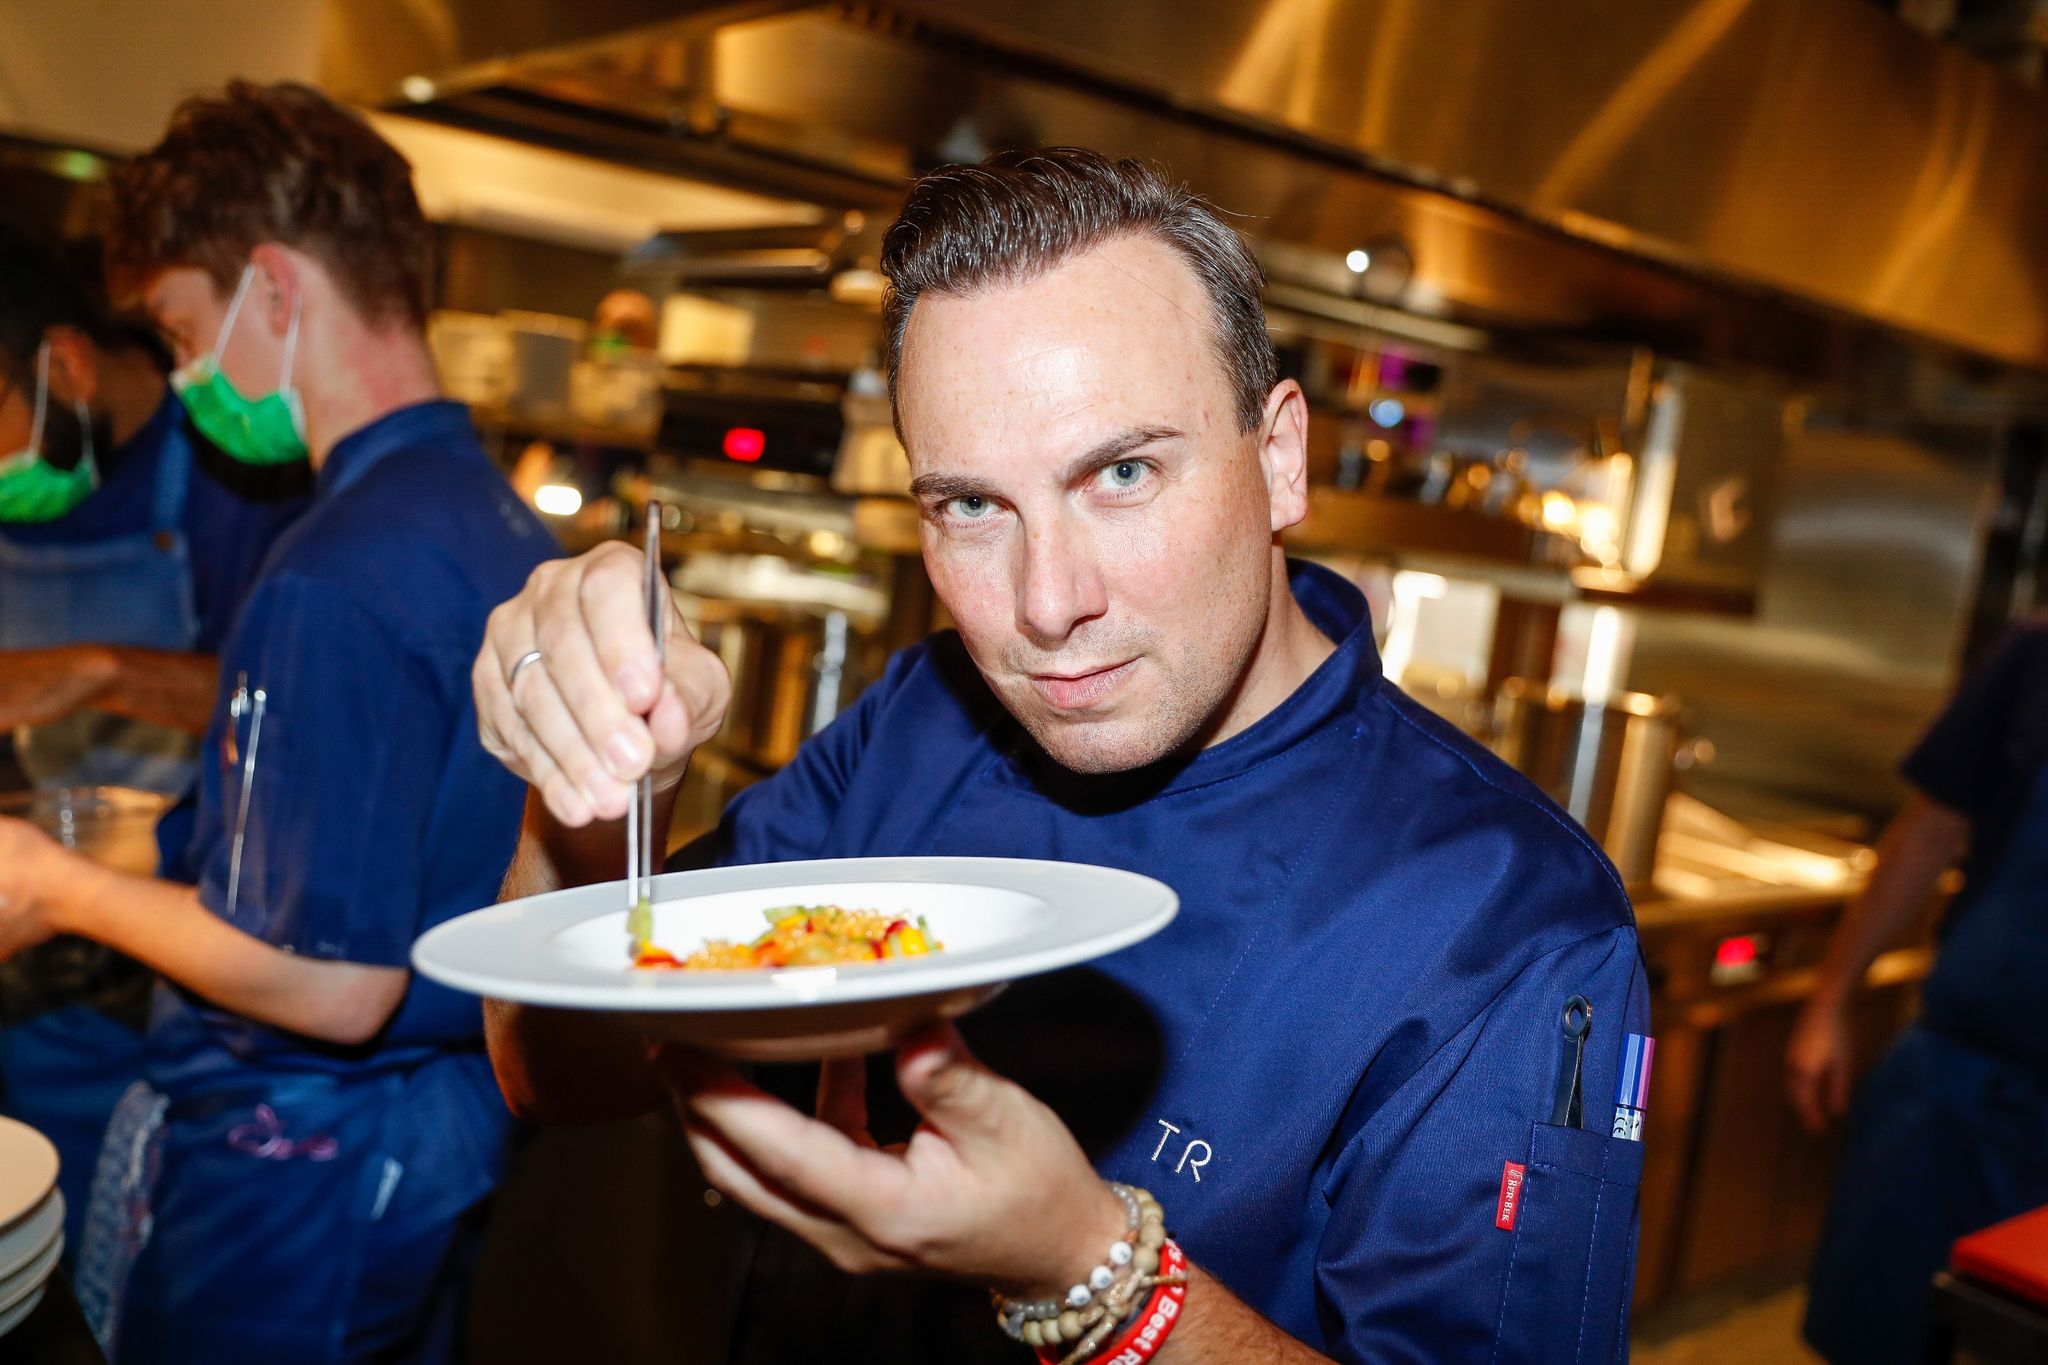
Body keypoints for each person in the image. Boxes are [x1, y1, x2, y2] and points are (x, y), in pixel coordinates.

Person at [475, 149, 1650, 1363]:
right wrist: (590, 797)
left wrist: (1096, 1277)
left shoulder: (1506, 918)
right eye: (972, 507)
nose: (1045, 603)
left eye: (1122, 474)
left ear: (1279, 454)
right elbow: (560, 1075)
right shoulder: (924, 719)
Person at [0, 82, 554, 1362]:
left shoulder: (332, 568)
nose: (187, 376)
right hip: (428, 1140)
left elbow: (336, 982)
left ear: (277, 290)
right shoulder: (487, 518)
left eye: (184, 331)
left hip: (302, 1159)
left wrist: (49, 884)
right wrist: (138, 849)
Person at [0, 220, 307, 1257]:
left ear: (65, 365)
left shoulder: (238, 475)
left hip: (201, 935)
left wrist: (99, 671)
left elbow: (296, 706)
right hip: (46, 938)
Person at [1787, 616, 2048, 1364]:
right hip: (1952, 1091)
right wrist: (1830, 1000)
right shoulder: (2036, 657)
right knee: (1876, 1337)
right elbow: (1928, 832)